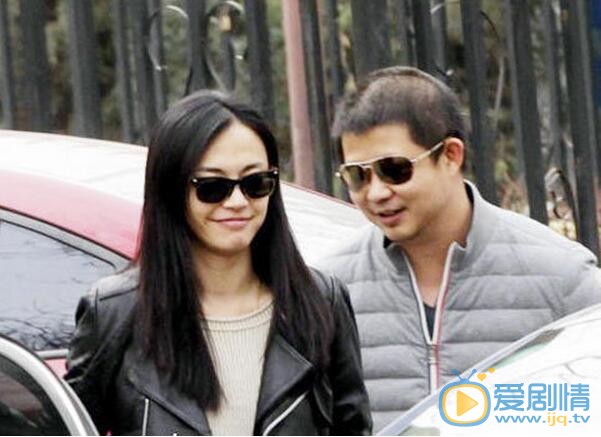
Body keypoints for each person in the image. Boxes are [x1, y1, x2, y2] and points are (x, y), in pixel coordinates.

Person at [65, 90, 371, 436]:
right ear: (171, 190)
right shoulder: (114, 313)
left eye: (256, 183)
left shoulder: (321, 302)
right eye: (212, 187)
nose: (238, 201)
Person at [317, 66, 601, 431]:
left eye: (394, 169)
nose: (376, 193)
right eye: (358, 176)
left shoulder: (563, 276)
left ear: (451, 155)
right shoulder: (326, 290)